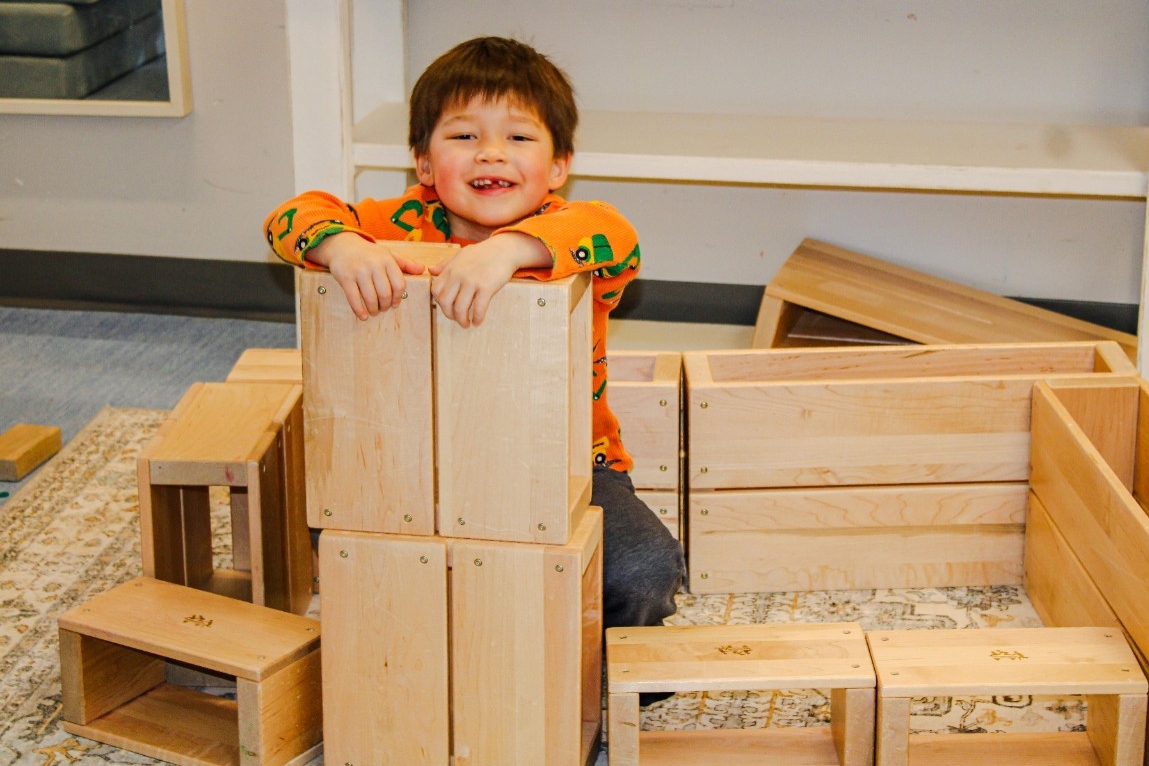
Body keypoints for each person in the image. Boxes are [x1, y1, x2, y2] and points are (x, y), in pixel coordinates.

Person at [263, 36, 685, 642]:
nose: (491, 155)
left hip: (568, 464)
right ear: (425, 164)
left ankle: (585, 678)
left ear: (559, 166)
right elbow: (290, 217)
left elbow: (618, 235)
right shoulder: (401, 222)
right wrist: (342, 246)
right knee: (358, 553)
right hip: (416, 465)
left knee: (642, 569)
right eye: (464, 137)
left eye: (518, 138)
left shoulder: (574, 230)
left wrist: (511, 249)